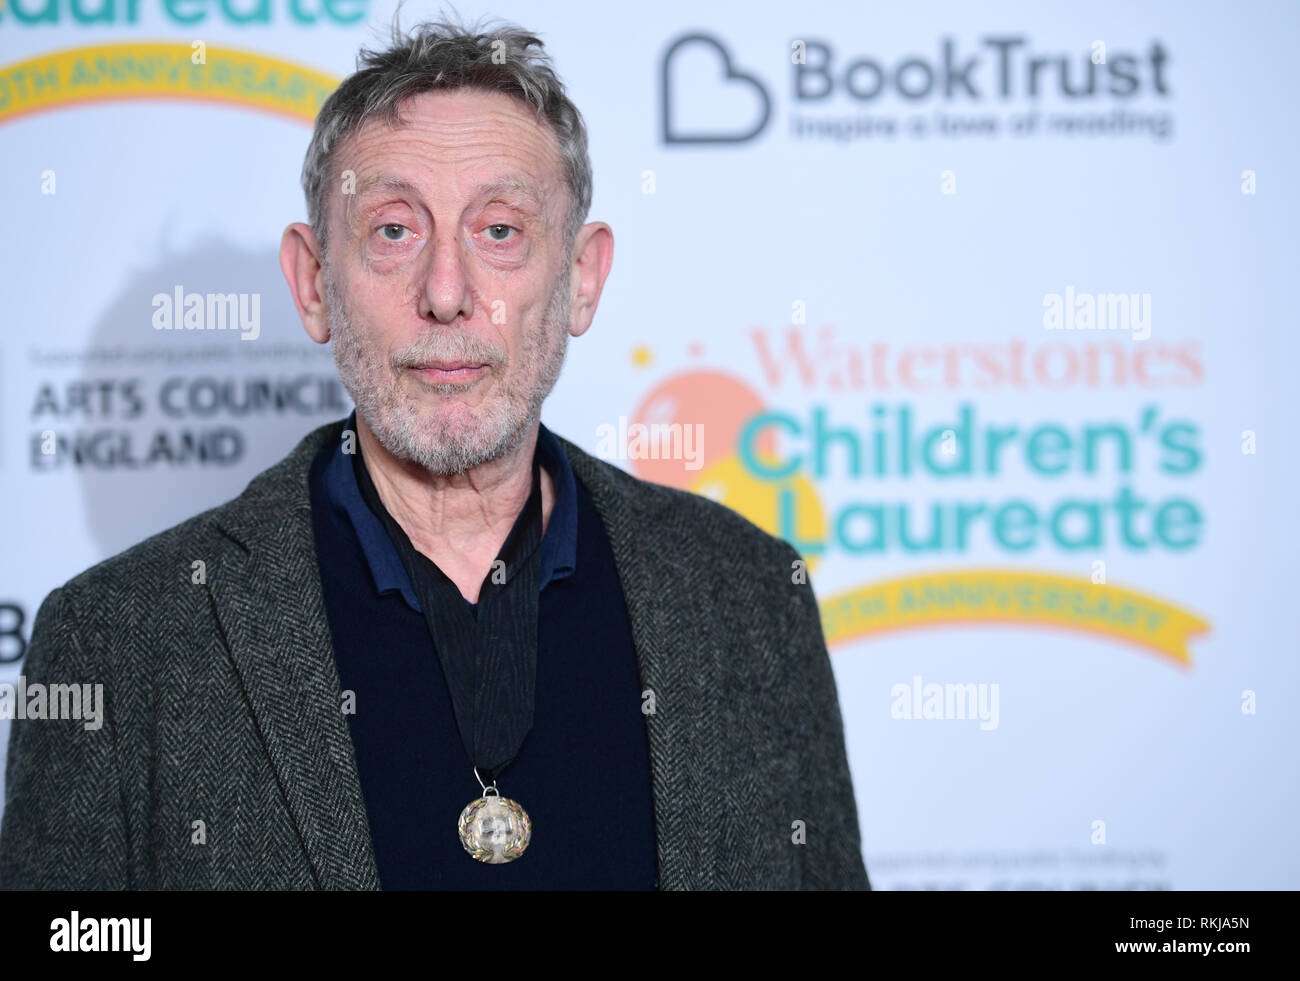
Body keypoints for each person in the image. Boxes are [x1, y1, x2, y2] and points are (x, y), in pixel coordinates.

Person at [0, 14, 869, 890]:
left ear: (582, 278)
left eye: (500, 231)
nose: (447, 294)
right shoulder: (119, 640)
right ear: (314, 283)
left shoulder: (751, 600)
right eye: (393, 231)